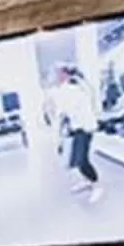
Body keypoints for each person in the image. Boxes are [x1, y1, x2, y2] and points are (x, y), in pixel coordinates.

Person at [52, 63, 102, 204]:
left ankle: (97, 185)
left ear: (65, 74)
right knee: (76, 160)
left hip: (85, 128)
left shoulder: (73, 90)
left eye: (58, 73)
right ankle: (87, 181)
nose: (56, 76)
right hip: (75, 128)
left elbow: (62, 114)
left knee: (82, 160)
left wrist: (58, 137)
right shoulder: (65, 90)